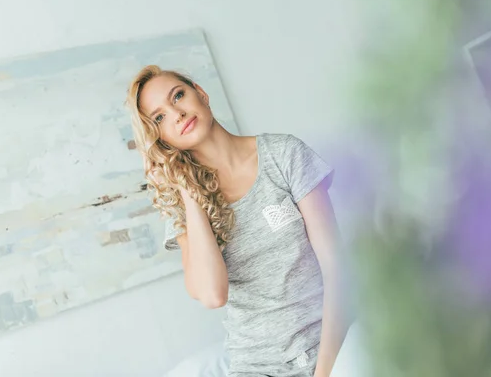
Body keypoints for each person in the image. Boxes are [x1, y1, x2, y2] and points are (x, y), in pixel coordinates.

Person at [126, 65, 348, 377]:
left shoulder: (283, 154)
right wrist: (188, 191)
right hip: (256, 365)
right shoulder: (182, 209)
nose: (176, 113)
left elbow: (339, 272)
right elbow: (212, 294)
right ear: (160, 139)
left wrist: (323, 372)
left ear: (200, 94)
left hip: (332, 347)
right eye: (159, 118)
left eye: (178, 96)